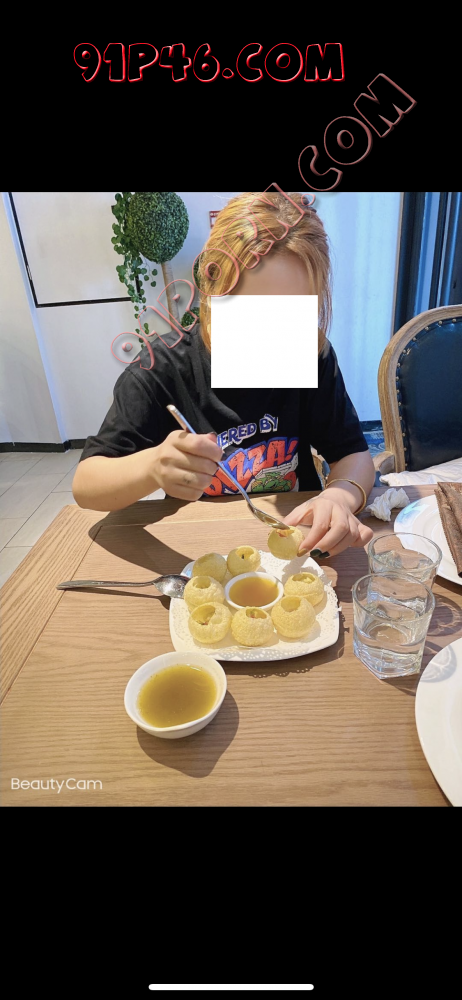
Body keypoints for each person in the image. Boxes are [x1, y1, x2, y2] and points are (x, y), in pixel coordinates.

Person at [73, 191, 375, 559]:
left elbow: (353, 454)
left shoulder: (310, 354)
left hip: (296, 548)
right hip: (198, 548)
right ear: (211, 287)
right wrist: (151, 467)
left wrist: (340, 496)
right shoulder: (162, 369)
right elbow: (87, 484)